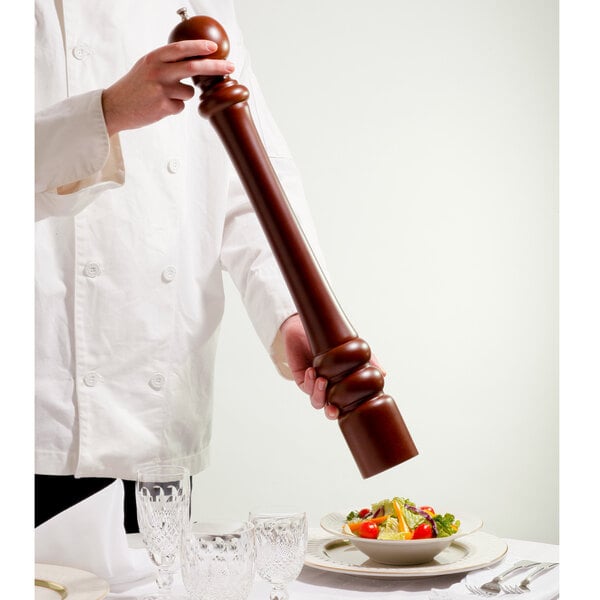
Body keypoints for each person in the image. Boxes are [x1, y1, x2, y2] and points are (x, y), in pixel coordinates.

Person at [35, 0, 338, 532]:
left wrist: (293, 314)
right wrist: (104, 112)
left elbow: (252, 180)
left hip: (154, 413)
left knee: (151, 583)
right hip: (32, 398)